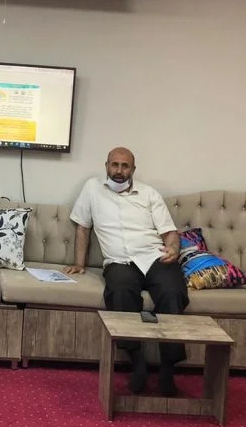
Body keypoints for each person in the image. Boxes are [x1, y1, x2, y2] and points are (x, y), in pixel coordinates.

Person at [64, 147, 188, 395]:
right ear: (106, 165)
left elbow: (169, 232)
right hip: (119, 261)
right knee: (120, 291)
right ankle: (137, 363)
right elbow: (82, 227)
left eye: (125, 166)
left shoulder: (149, 194)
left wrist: (174, 249)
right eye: (115, 165)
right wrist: (79, 263)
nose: (119, 171)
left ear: (133, 169)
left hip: (154, 257)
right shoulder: (92, 189)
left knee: (173, 292)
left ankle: (167, 369)